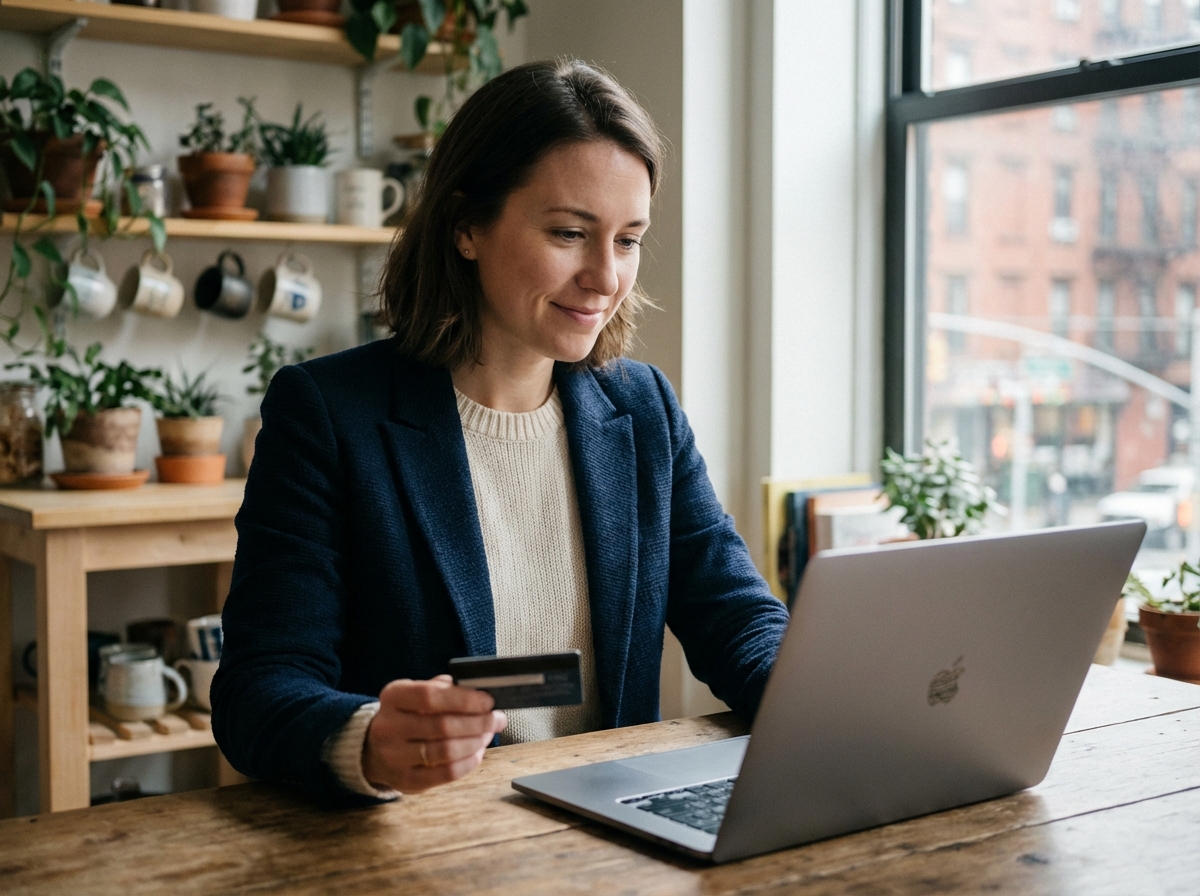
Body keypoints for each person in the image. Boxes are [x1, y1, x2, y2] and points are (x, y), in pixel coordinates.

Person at [211, 58, 790, 806]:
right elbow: (259, 689)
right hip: (420, 843)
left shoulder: (643, 409)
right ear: (465, 227)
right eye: (570, 233)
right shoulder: (327, 413)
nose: (606, 277)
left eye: (627, 239)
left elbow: (737, 618)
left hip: (610, 842)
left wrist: (830, 703)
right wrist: (368, 740)